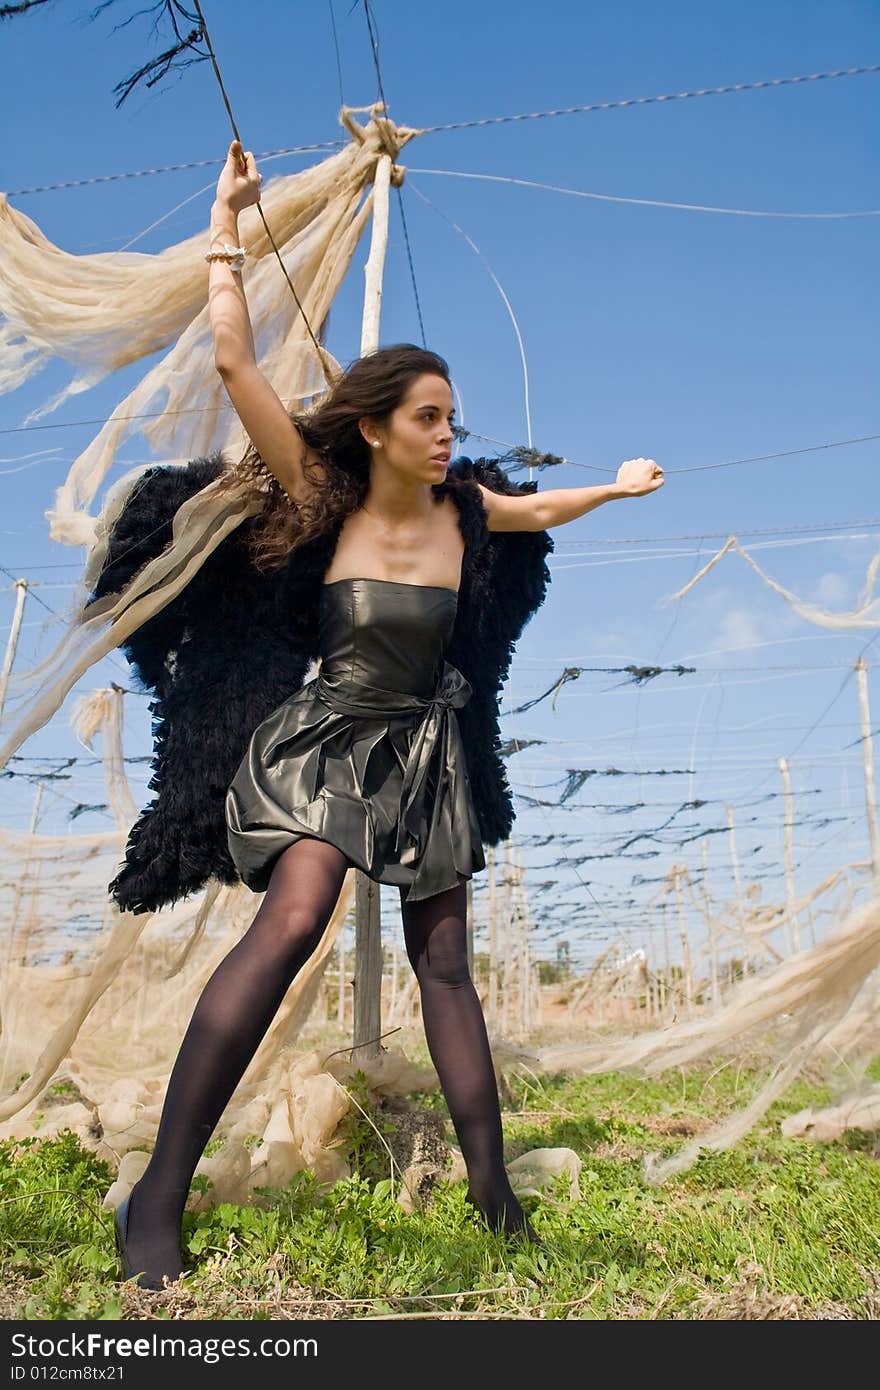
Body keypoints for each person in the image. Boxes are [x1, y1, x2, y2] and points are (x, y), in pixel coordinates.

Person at [114, 139, 664, 1290]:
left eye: (451, 415)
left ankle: (495, 1197)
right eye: (427, 414)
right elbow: (231, 359)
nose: (446, 430)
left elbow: (541, 503)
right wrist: (226, 222)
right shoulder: (325, 494)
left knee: (446, 961)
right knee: (297, 910)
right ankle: (159, 1193)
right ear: (374, 426)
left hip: (424, 751)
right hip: (327, 740)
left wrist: (611, 487)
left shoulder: (468, 511)